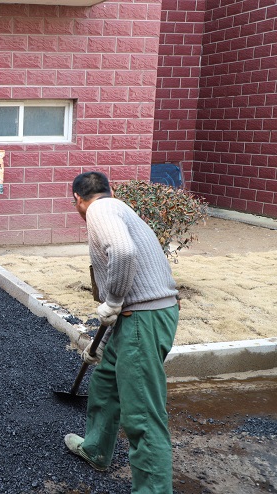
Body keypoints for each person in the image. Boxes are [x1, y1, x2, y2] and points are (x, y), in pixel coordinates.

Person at [64, 171, 180, 494]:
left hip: (144, 319)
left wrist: (113, 300)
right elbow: (125, 288)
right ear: (111, 190)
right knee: (105, 381)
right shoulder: (118, 207)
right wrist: (103, 340)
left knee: (142, 416)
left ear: (77, 199)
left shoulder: (99, 210)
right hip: (138, 317)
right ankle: (96, 448)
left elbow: (124, 253)